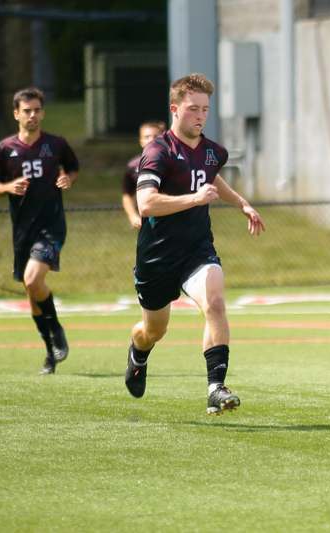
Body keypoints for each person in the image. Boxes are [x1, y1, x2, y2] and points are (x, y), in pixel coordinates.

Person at [125, 73, 265, 414]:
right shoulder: (157, 151)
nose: (200, 116)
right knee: (153, 330)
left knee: (215, 303)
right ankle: (138, 352)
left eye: (205, 109)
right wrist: (194, 199)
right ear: (175, 109)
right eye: (192, 109)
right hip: (157, 258)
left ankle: (216, 387)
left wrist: (241, 203)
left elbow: (209, 175)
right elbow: (146, 204)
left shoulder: (213, 152)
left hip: (197, 251)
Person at [0, 88, 78, 375]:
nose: (32, 115)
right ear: (16, 114)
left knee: (33, 279)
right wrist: (7, 187)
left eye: (36, 110)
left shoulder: (56, 144)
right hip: (23, 232)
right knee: (32, 292)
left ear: (42, 113)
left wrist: (67, 178)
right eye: (26, 110)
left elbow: (72, 169)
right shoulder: (5, 149)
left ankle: (56, 329)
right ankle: (50, 352)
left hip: (51, 226)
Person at [122, 121, 166, 229]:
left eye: (156, 136)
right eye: (147, 137)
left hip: (175, 220)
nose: (151, 140)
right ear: (141, 141)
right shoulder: (133, 166)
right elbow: (127, 194)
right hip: (148, 223)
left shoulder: (174, 161)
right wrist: (133, 216)